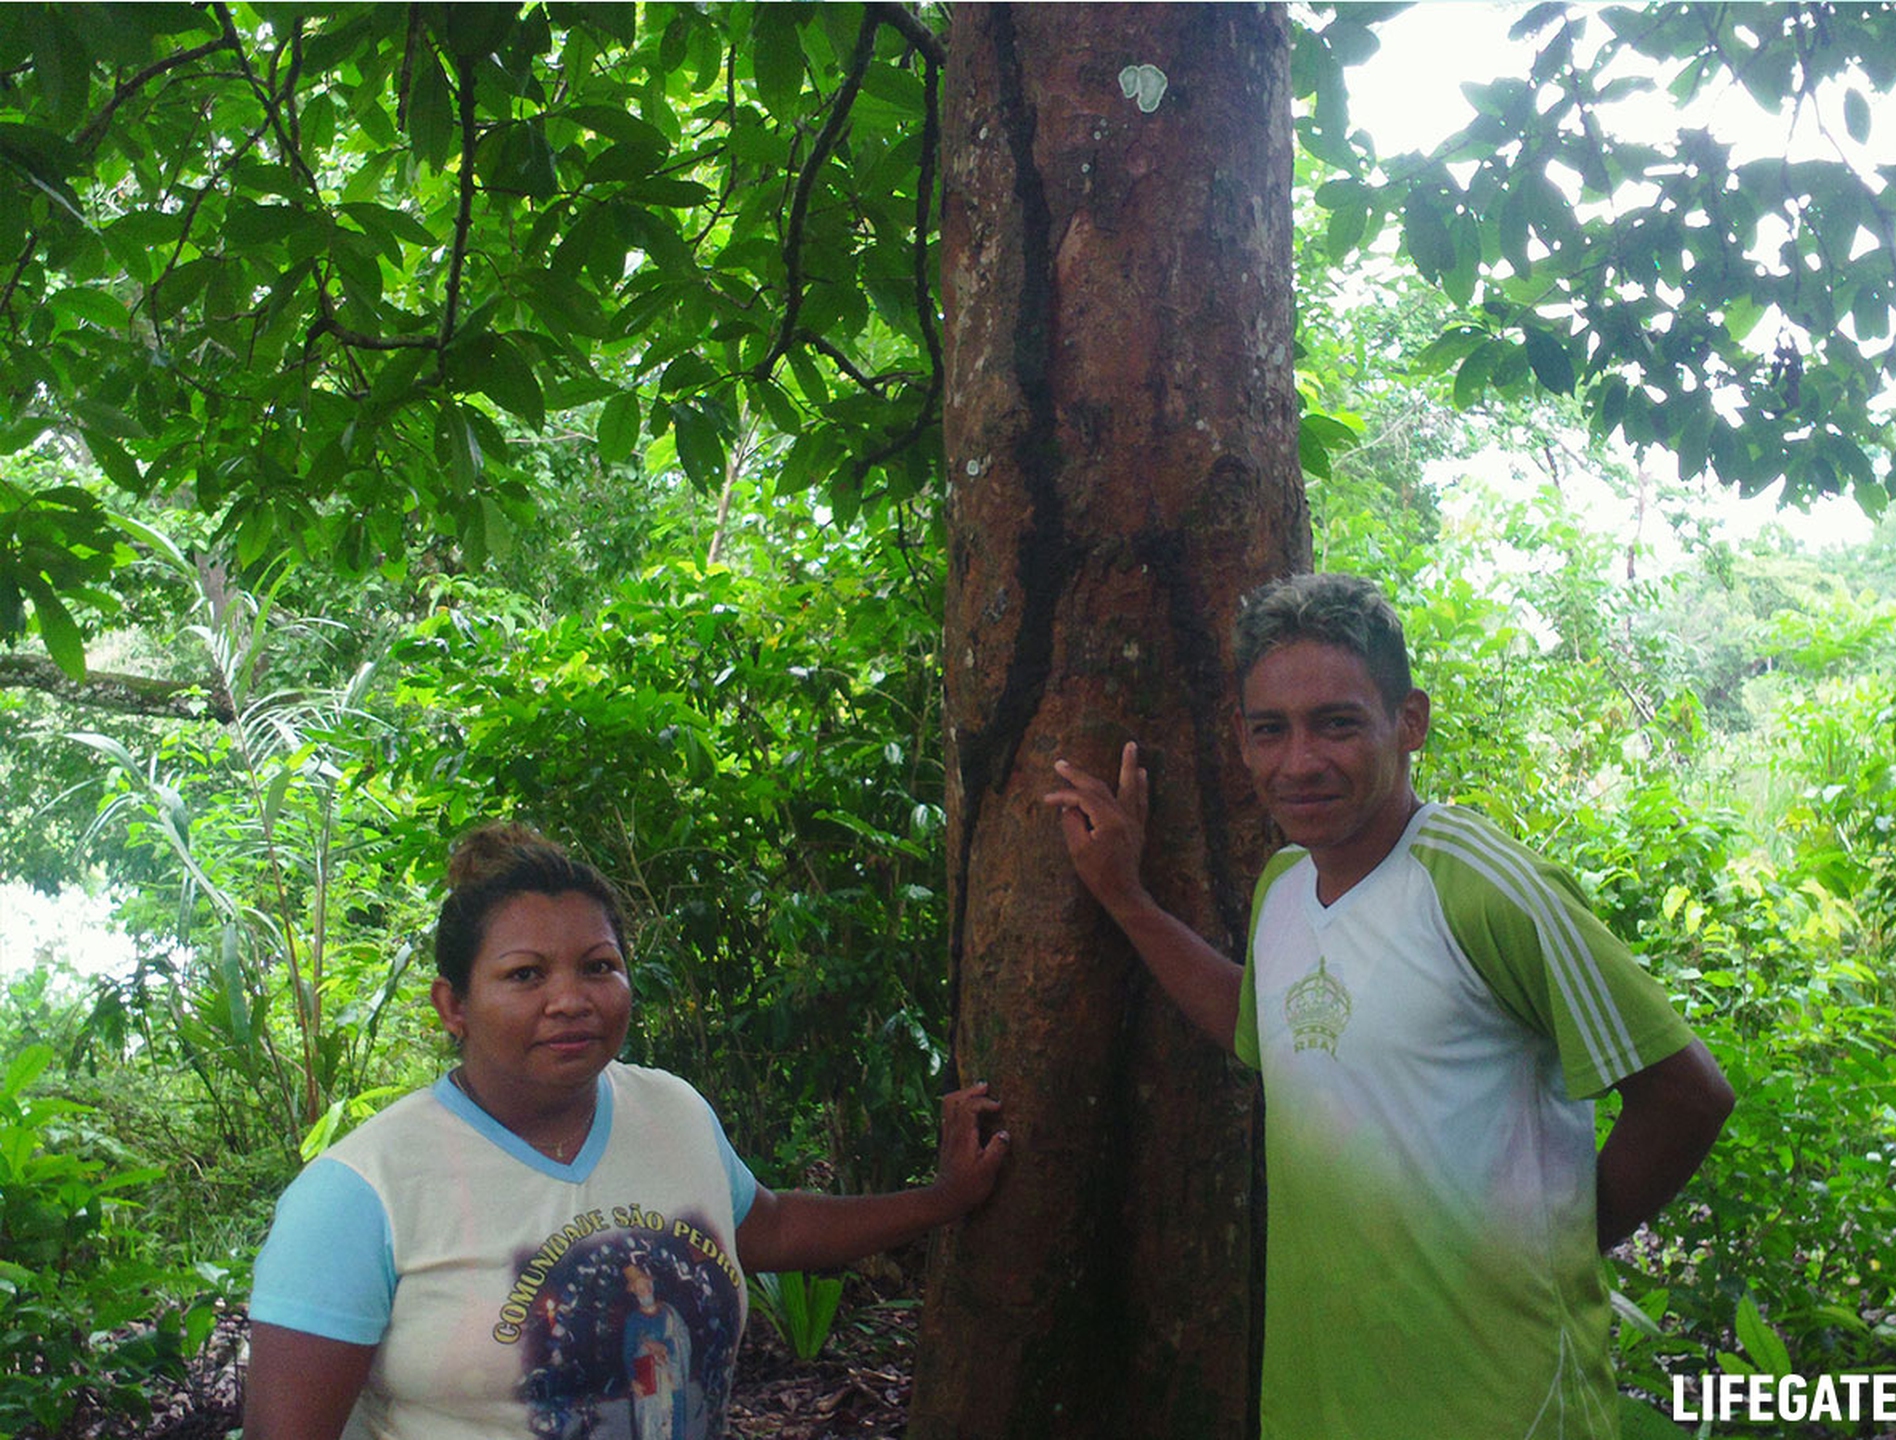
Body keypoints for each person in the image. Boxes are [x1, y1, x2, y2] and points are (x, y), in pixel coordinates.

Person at [1045, 571, 1734, 1440]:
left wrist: (1553, 1248)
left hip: (1503, 1404)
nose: (1299, 762)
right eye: (1271, 730)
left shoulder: (1485, 888)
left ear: (1409, 722)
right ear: (1242, 738)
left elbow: (1688, 1096)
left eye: (1337, 723)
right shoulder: (1284, 886)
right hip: (1320, 1399)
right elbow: (1265, 1027)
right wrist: (1128, 902)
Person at [244, 822, 1010, 1440]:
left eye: (598, 966)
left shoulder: (670, 1110)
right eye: (525, 975)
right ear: (454, 1006)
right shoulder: (359, 1193)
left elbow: (768, 1227)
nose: (571, 1000)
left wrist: (944, 1199)